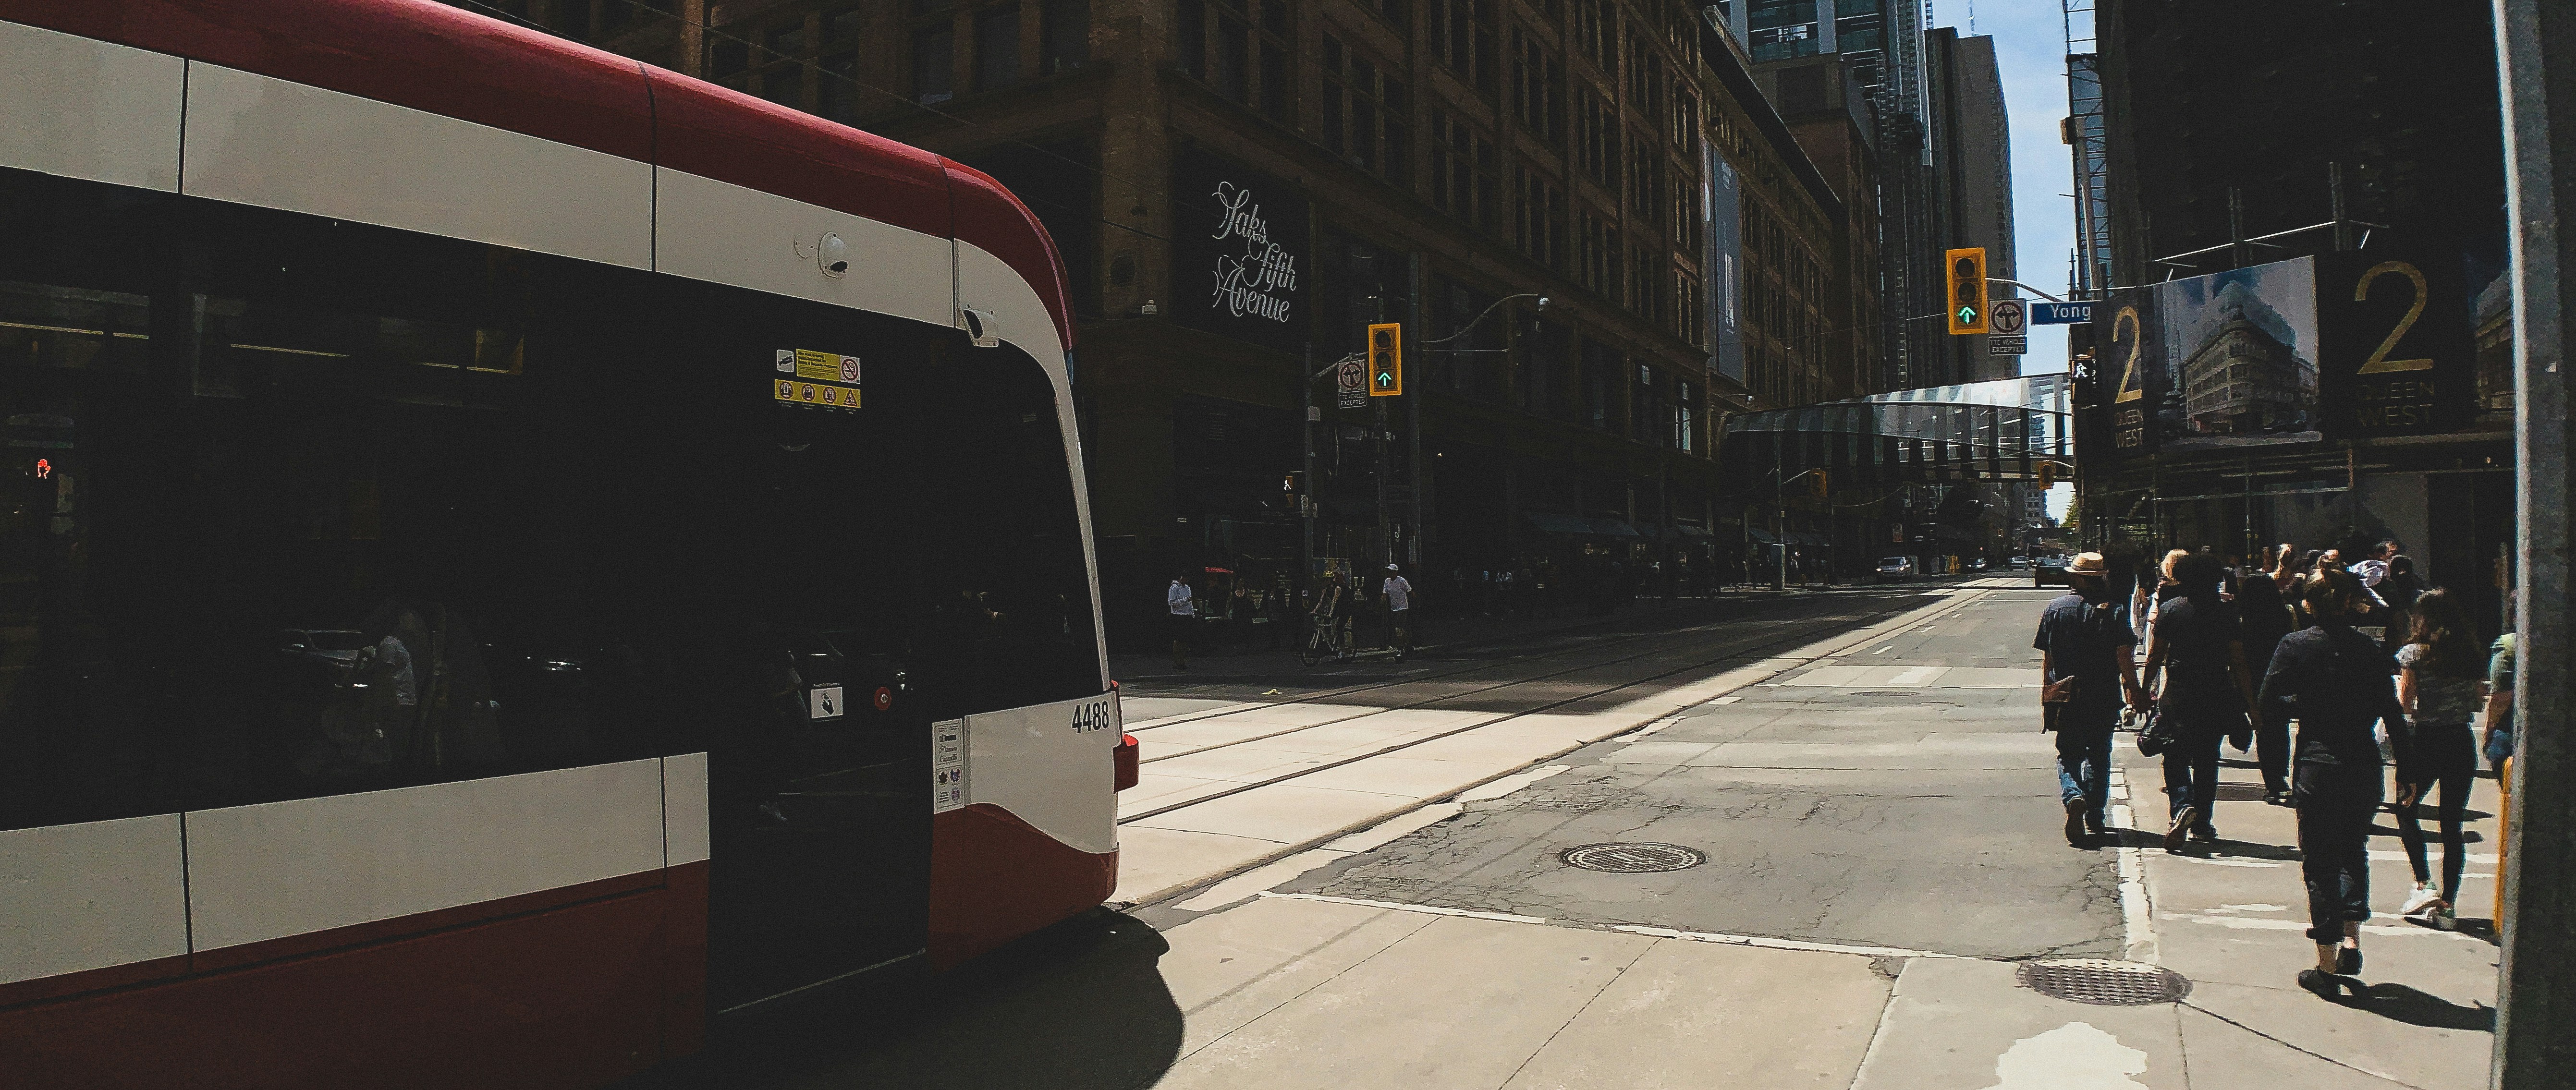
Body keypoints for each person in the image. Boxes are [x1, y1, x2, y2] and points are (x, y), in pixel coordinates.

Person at [2260, 568, 2405, 998]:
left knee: (2319, 861)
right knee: (2352, 848)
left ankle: (2325, 964)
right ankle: (2351, 938)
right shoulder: (2368, 649)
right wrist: (2408, 771)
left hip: (2317, 762)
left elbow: (2270, 702)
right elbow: (2392, 713)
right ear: (2347, 602)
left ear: (2308, 603)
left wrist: (2304, 701)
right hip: (2362, 763)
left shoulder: (2295, 646)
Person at [2137, 552, 2259, 850]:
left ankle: (2181, 805)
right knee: (2207, 759)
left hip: (2179, 691)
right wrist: (2250, 703)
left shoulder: (2170, 610)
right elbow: (2239, 660)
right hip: (2216, 690)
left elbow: (2156, 654)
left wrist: (2144, 690)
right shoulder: (2227, 612)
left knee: (2175, 754)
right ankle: (2203, 823)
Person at [2392, 588, 2487, 928]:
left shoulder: (2413, 655)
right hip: (2459, 740)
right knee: (2451, 823)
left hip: (2424, 740)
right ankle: (2448, 903)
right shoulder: (2471, 655)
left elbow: (2405, 700)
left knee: (2405, 809)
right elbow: (2478, 700)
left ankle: (2423, 883)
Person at [2035, 553, 2143, 846]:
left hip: (2066, 694)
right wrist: (2134, 690)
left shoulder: (2055, 609)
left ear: (2076, 577)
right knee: (2098, 754)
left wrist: (2048, 691)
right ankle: (2095, 815)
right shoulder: (2116, 611)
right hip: (2103, 694)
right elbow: (2125, 657)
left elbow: (2049, 658)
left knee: (2069, 753)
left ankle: (2074, 795)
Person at [2236, 546, 2301, 804]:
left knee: (2263, 729)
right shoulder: (2286, 614)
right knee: (2279, 729)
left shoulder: (2242, 619)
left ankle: (2273, 782)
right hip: (2281, 677)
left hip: (2252, 676)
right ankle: (2280, 779)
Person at [1382, 563, 1416, 657]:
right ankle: (1407, 644)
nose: (1390, 573)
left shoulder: (1401, 581)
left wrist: (1414, 603)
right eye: (1389, 571)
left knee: (1399, 628)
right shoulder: (1387, 581)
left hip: (1403, 608)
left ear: (1396, 572)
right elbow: (1385, 594)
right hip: (1394, 608)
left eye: (1392, 572)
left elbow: (1410, 591)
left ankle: (1401, 648)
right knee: (1399, 629)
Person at [1166, 571, 1196, 670]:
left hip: (1187, 615)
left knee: (1185, 640)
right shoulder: (1174, 588)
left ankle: (1183, 661)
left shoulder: (1187, 588)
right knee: (1179, 639)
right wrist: (1185, 600)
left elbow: (1190, 602)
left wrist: (1192, 613)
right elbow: (1172, 602)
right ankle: (1177, 661)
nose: (1187, 581)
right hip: (1178, 615)